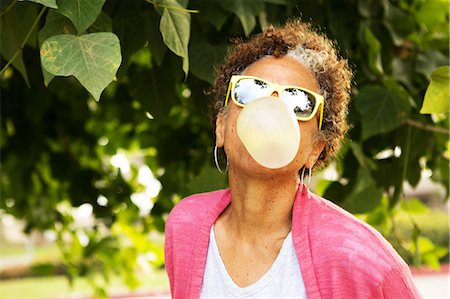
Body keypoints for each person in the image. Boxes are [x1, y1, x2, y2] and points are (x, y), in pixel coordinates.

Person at [164, 20, 421, 298]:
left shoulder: (361, 259)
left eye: (298, 103)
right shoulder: (185, 225)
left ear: (315, 148)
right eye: (250, 90)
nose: (270, 108)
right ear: (221, 127)